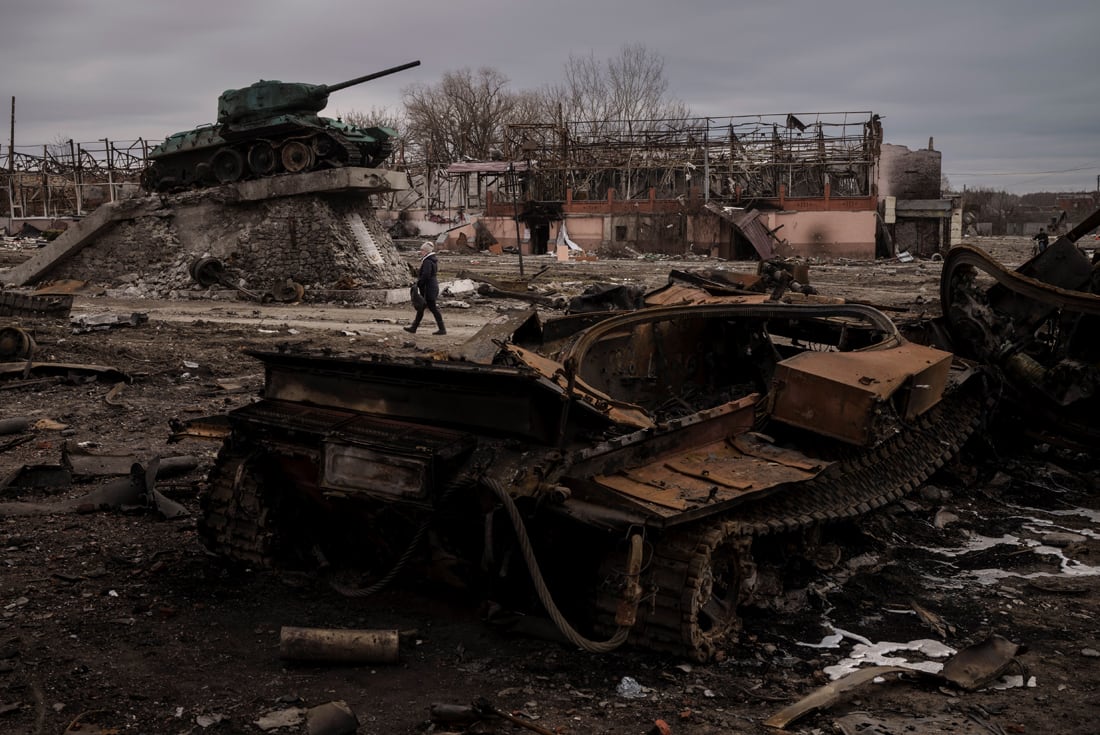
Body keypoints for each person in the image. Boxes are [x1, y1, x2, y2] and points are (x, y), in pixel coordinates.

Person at [404, 242, 446, 335]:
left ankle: (442, 329)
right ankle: (414, 328)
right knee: (422, 308)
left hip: (429, 288)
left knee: (432, 308)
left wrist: (419, 284)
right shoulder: (431, 260)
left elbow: (426, 275)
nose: (421, 252)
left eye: (422, 250)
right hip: (431, 287)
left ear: (426, 251)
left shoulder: (427, 261)